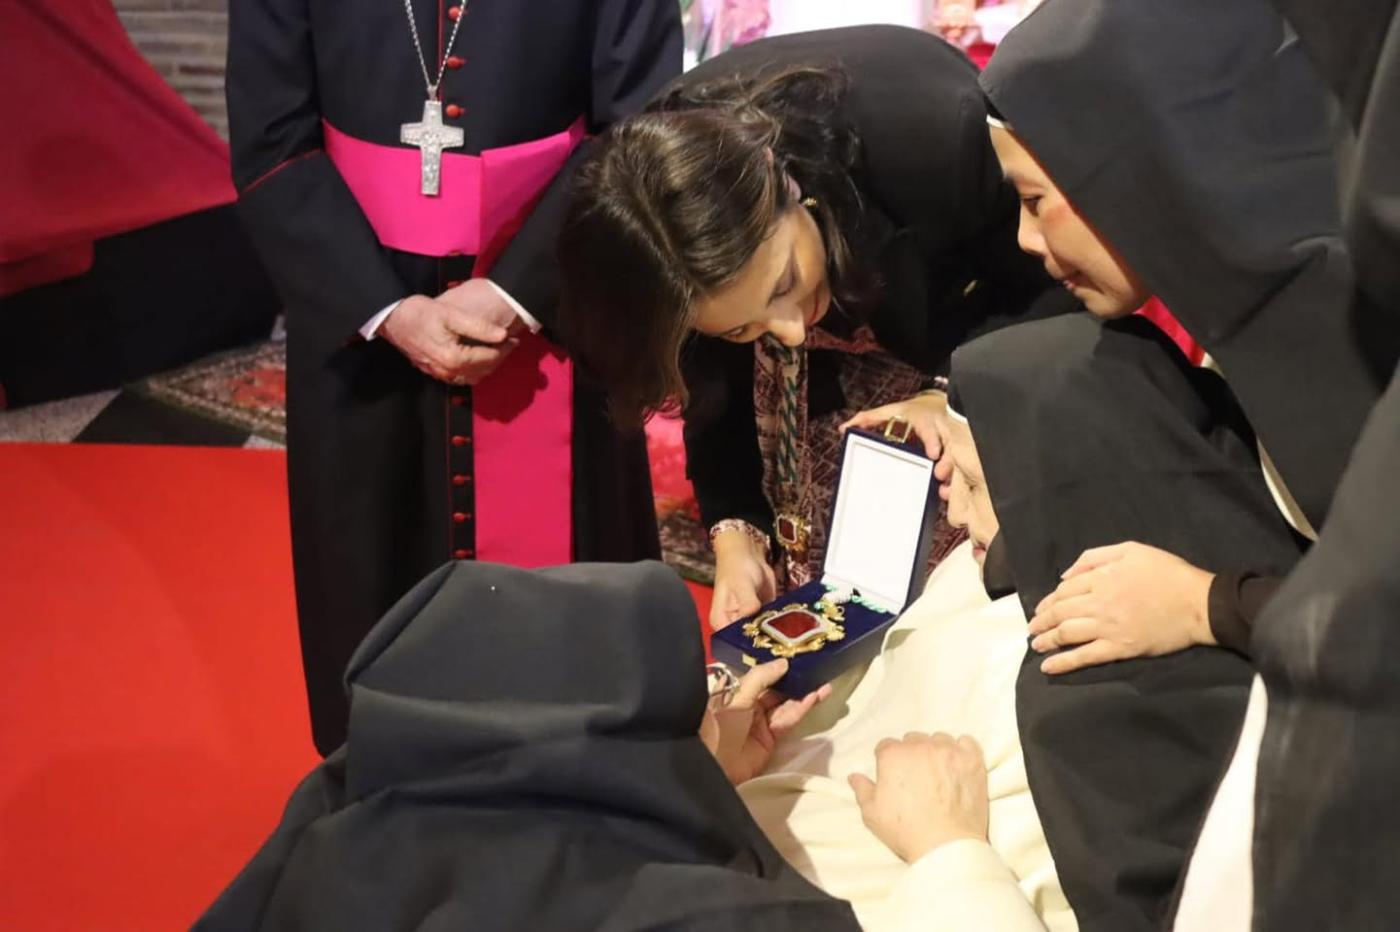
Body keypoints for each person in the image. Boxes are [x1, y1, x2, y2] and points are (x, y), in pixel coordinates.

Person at [226, 0, 681, 754]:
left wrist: (517, 293)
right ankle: (385, 807)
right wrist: (387, 309)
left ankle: (576, 808)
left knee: (574, 631)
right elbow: (272, 139)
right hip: (364, 317)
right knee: (372, 588)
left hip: (558, 285)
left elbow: (643, 121)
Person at [556, 25, 1068, 631]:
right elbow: (712, 386)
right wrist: (736, 535)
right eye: (742, 329)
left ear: (787, 185)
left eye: (782, 284)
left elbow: (1052, 286)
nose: (793, 333)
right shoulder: (663, 229)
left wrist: (950, 393)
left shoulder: (932, 140)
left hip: (961, 303)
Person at [973, 0, 1400, 680]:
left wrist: (1206, 607)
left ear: (1127, 166)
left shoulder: (1353, 328)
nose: (1027, 240)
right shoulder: (1257, 306)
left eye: (1034, 201)